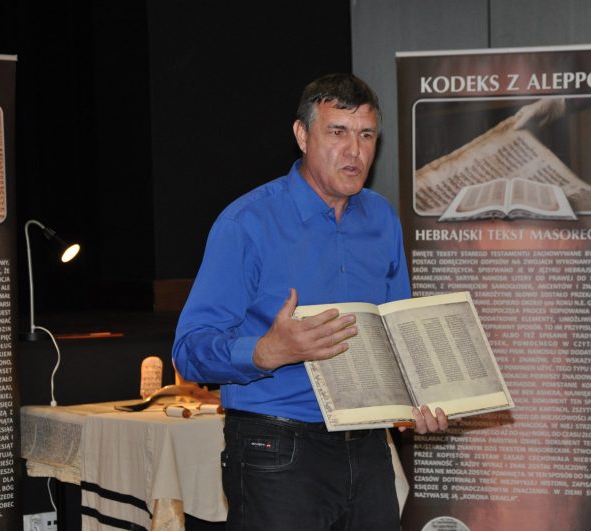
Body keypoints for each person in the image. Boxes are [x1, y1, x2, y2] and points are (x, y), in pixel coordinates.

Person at [172, 73, 448, 531]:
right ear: (302, 136)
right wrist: (267, 351)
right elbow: (188, 350)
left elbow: (397, 335)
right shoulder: (247, 223)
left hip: (368, 447)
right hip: (278, 447)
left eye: (366, 135)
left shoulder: (381, 219)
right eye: (338, 132)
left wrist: (417, 402)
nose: (355, 151)